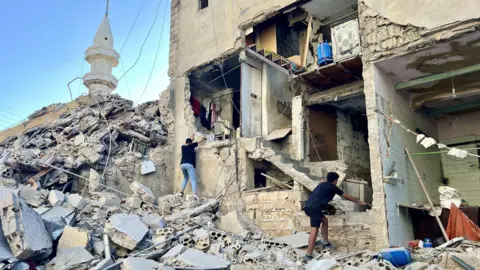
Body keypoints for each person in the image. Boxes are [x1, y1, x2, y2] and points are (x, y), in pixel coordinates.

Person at [302, 172, 368, 263]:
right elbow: (346, 196)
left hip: (307, 207)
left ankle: (326, 243)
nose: (337, 182)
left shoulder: (323, 184)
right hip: (315, 209)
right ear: (335, 181)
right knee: (314, 231)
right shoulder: (333, 187)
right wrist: (359, 201)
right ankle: (308, 255)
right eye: (336, 180)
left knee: (325, 220)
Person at [177, 133, 205, 199]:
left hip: (182, 165)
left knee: (186, 178)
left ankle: (180, 192)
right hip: (189, 164)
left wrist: (191, 138)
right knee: (193, 179)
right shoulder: (192, 146)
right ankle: (195, 194)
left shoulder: (182, 147)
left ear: (185, 142)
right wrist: (204, 137)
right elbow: (199, 141)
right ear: (191, 142)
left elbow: (188, 142)